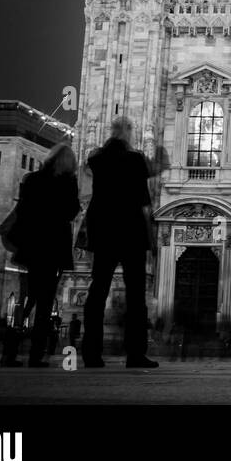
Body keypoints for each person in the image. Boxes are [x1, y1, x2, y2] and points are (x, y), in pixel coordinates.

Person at [82, 117, 158, 369]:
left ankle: (91, 353)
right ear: (127, 134)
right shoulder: (134, 160)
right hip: (130, 232)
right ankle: (135, 354)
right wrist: (151, 237)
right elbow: (144, 201)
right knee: (136, 295)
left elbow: (89, 168)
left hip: (102, 230)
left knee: (97, 290)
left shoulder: (97, 159)